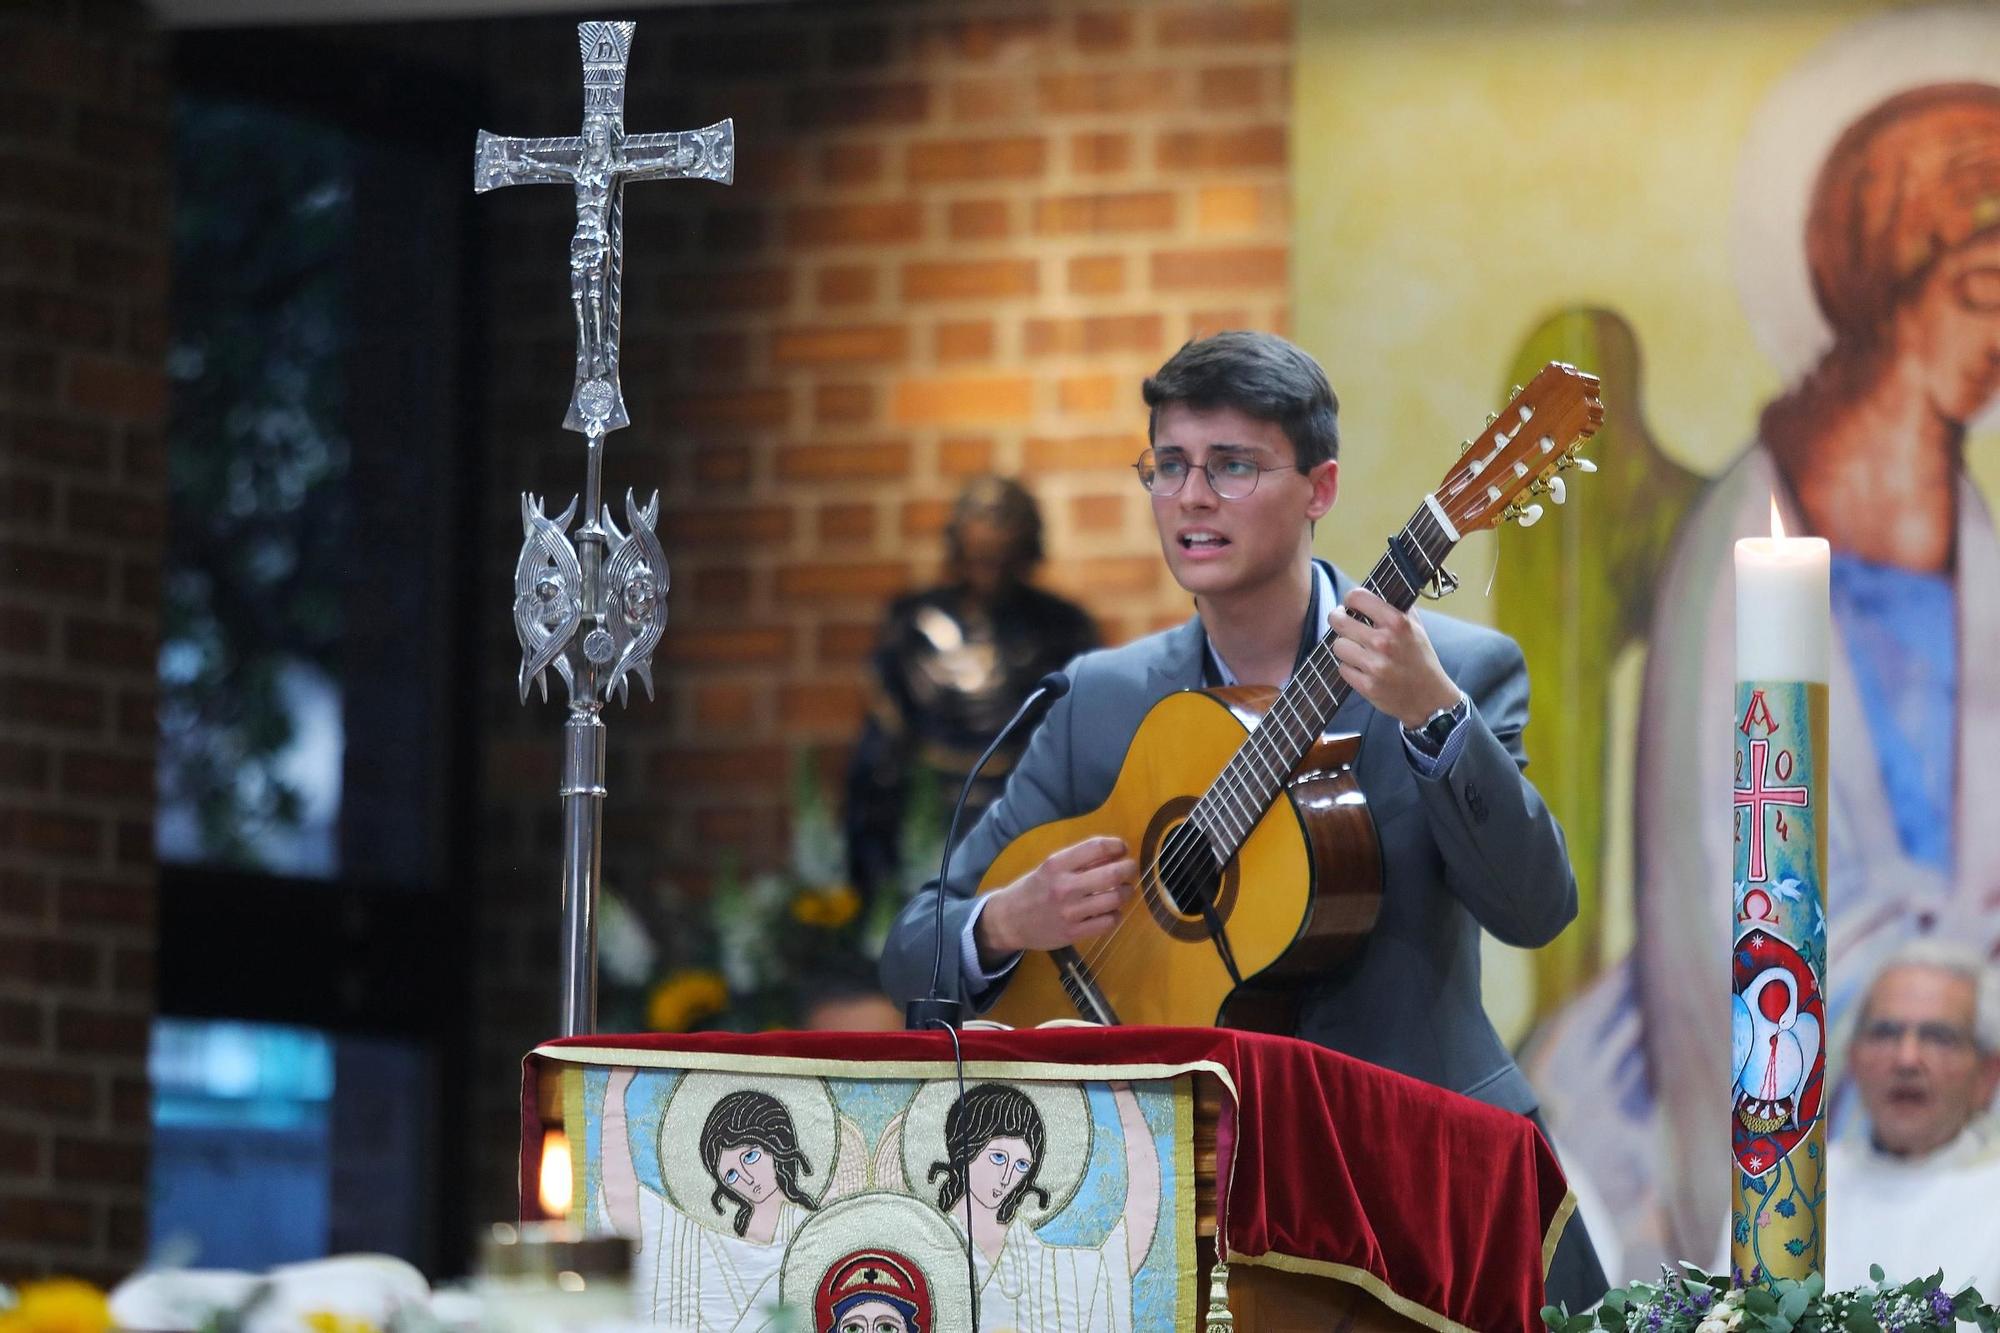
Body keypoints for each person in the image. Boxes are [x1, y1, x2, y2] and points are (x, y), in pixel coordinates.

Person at [878, 330, 1606, 1308]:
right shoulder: (1098, 702)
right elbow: (915, 948)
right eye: (1168, 465)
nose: (1190, 496)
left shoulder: (1452, 670)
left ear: (1320, 487)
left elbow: (1534, 907)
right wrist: (1005, 921)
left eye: (1231, 465)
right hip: (1175, 1207)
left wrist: (1432, 715)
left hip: (1415, 1189)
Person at [1528, 79, 2000, 1274]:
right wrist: (1889, 976)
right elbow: (1707, 862)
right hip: (1778, 996)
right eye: (1979, 290)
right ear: (1893, 283)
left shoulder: (1973, 534)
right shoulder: (1751, 530)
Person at [845, 477, 1098, 903]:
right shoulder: (913, 624)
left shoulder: (1063, 628)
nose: (992, 570)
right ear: (957, 548)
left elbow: (1081, 743)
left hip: (1028, 806)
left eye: (1004, 558)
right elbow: (882, 749)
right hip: (929, 805)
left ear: (1027, 553)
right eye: (981, 557)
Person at [1827, 941, 2000, 1293]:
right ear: (1853, 1057)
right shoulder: (1795, 1187)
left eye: (1938, 1037)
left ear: (1987, 1074)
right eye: (1886, 1033)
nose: (1907, 1059)